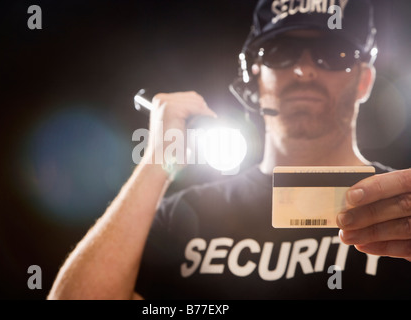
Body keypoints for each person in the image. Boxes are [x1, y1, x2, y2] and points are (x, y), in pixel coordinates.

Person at [47, 0, 411, 299]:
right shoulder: (183, 215)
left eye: (334, 52)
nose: (303, 70)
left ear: (364, 80)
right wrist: (156, 163)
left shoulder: (401, 209)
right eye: (280, 51)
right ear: (255, 72)